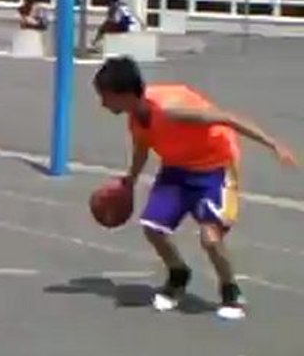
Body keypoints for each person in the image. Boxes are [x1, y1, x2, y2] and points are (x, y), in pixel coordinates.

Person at [93, 56, 297, 320]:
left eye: (106, 96)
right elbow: (142, 147)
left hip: (215, 167)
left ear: (126, 94)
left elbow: (227, 118)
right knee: (153, 228)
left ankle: (230, 290)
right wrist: (129, 180)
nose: (103, 103)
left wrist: (273, 144)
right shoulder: (136, 117)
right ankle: (178, 274)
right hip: (177, 169)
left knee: (210, 238)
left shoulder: (171, 110)